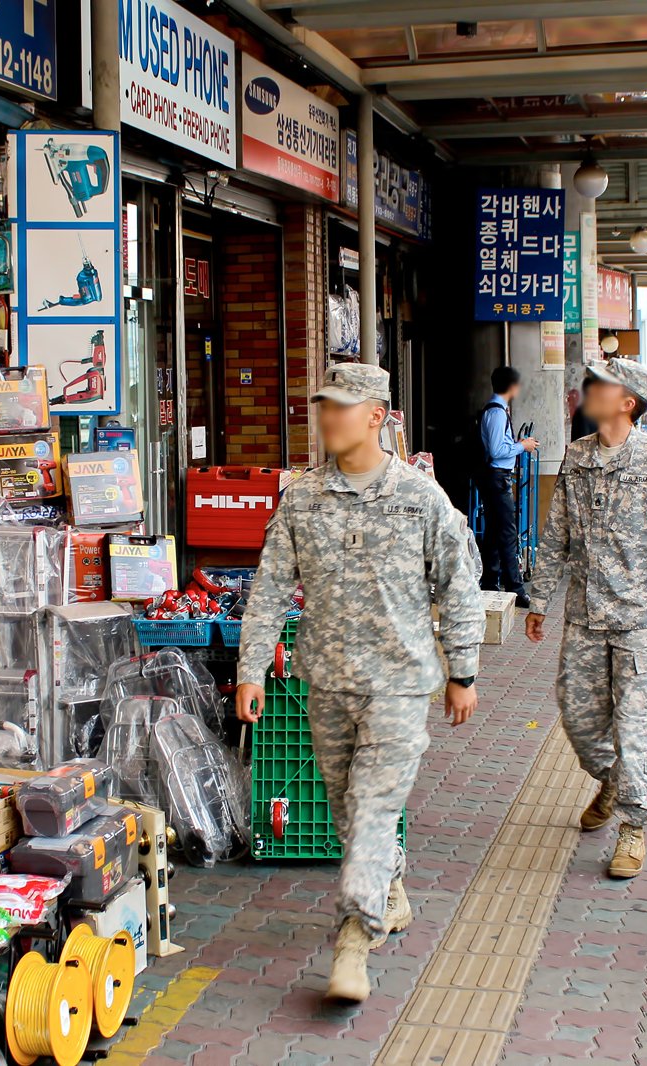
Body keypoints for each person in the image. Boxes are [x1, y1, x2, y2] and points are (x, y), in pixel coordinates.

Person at [237, 361, 484, 1005]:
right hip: (329, 681)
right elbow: (266, 590)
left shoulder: (420, 496)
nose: (326, 418)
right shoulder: (302, 496)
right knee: (349, 808)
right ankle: (390, 888)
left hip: (400, 685)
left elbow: (458, 585)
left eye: (340, 407)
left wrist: (463, 671)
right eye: (321, 406)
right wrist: (250, 668)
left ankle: (355, 935)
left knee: (374, 808)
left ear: (377, 416)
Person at [525, 358, 647, 879]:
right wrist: (539, 600)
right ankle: (612, 780)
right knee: (579, 720)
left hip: (642, 621)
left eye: (600, 385)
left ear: (627, 403)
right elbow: (556, 535)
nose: (589, 390)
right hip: (584, 617)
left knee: (632, 725)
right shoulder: (578, 458)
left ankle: (632, 825)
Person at [478, 366, 540, 607]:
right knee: (507, 531)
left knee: (495, 530)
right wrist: (521, 446)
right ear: (512, 386)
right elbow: (496, 451)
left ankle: (490, 581)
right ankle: (515, 587)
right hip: (496, 476)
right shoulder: (496, 413)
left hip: (497, 476)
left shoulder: (498, 411)